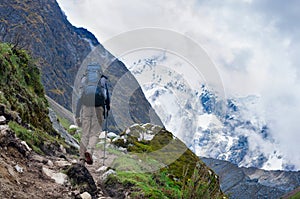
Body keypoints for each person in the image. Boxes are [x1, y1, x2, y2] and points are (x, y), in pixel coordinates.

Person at [75, 69, 110, 165]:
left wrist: (77, 114)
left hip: (86, 107)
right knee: (95, 132)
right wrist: (107, 109)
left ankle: (81, 159)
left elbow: (80, 98)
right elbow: (107, 97)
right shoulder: (102, 80)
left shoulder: (85, 79)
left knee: (85, 133)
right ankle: (89, 151)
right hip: (98, 108)